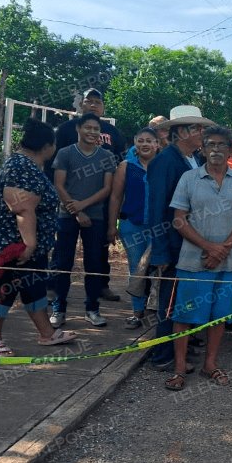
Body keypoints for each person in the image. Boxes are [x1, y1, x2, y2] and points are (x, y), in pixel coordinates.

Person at [0, 119, 77, 356]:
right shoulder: (21, 166)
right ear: (48, 146)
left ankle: (47, 333)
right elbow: (21, 207)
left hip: (27, 244)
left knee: (34, 287)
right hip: (6, 243)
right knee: (1, 289)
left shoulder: (28, 165)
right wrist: (29, 243)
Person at [164, 126, 232, 391]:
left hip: (227, 263)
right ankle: (180, 368)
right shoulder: (189, 178)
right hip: (193, 260)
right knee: (184, 315)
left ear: (230, 150)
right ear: (202, 150)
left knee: (219, 316)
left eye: (221, 145)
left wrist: (222, 249)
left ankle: (210, 364)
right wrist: (208, 247)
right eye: (210, 145)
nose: (215, 150)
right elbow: (179, 220)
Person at [146, 105, 214, 371]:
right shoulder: (165, 161)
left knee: (184, 299)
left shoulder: (195, 159)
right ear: (183, 131)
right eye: (198, 128)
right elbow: (157, 209)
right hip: (172, 243)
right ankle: (163, 356)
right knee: (170, 301)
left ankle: (179, 350)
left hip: (191, 242)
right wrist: (160, 251)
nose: (202, 133)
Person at [52, 88, 126, 302]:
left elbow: (121, 162)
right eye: (89, 101)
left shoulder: (113, 133)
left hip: (100, 202)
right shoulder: (65, 130)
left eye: (97, 102)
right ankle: (55, 290)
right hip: (68, 203)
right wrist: (70, 204)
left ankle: (101, 286)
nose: (93, 105)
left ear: (103, 107)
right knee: (62, 250)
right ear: (81, 105)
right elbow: (53, 169)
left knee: (99, 250)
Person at [49, 113, 116, 328]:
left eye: (96, 129)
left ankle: (92, 308)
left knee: (94, 263)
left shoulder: (106, 156)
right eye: (88, 127)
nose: (92, 132)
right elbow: (59, 185)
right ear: (78, 128)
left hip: (95, 216)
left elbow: (107, 189)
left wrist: (83, 206)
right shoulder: (65, 153)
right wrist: (76, 211)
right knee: (63, 262)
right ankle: (59, 308)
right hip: (67, 215)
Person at [107, 127, 159, 328]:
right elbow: (116, 197)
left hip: (158, 227)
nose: (145, 144)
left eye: (149, 141)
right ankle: (137, 312)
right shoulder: (126, 166)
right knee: (136, 268)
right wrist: (112, 225)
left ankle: (155, 310)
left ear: (157, 145)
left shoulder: (163, 166)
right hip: (132, 225)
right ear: (135, 143)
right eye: (141, 140)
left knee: (157, 268)